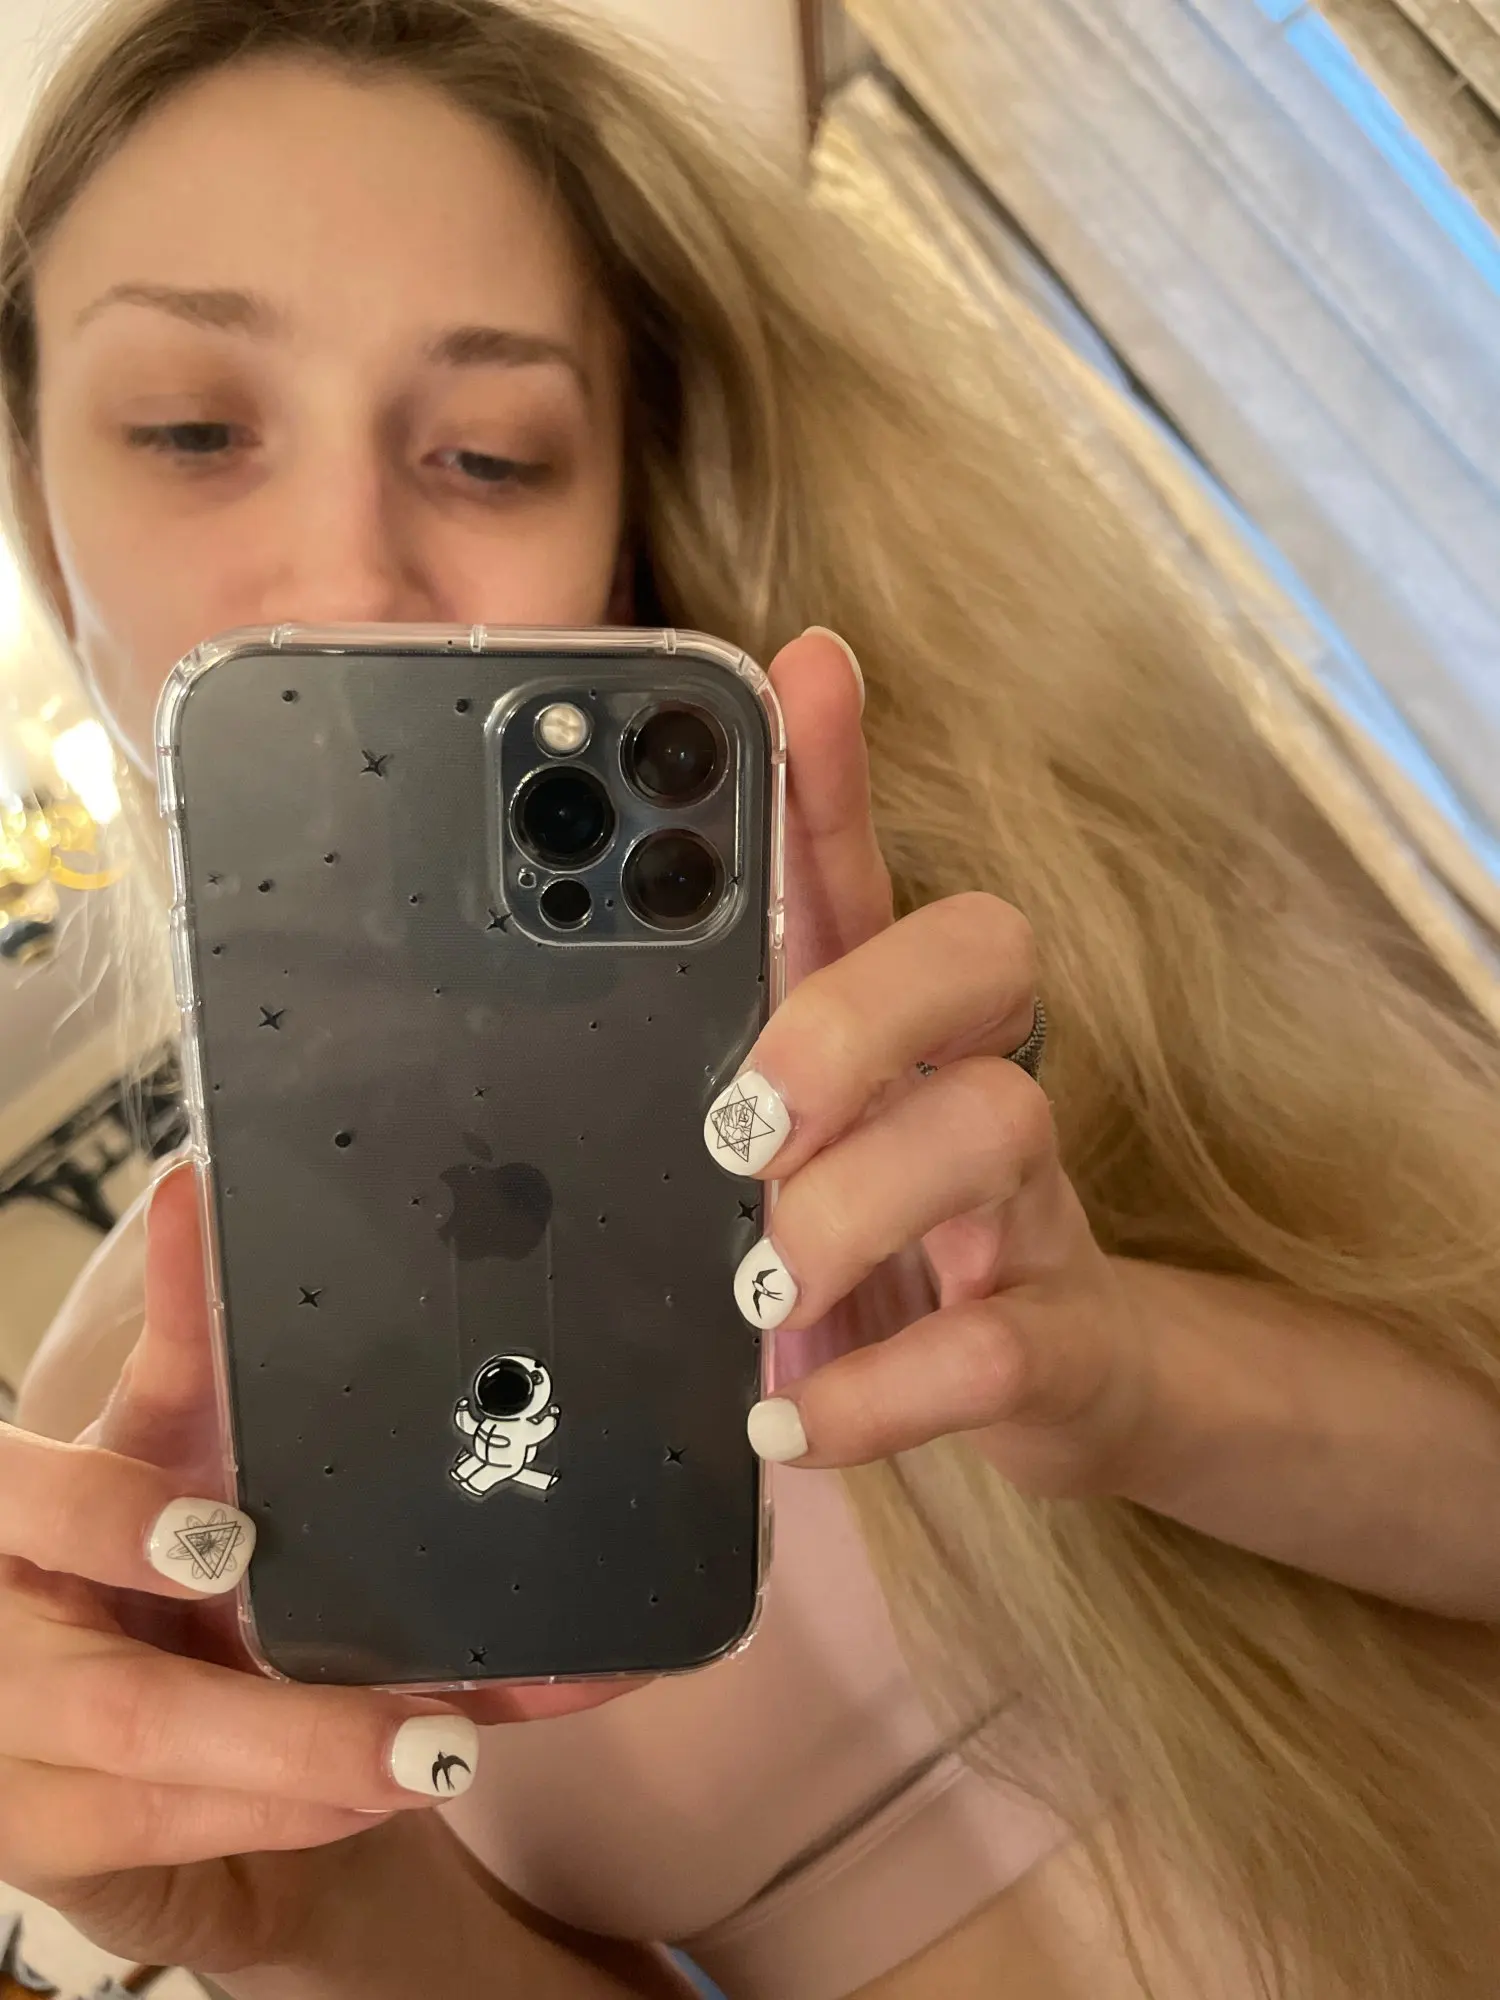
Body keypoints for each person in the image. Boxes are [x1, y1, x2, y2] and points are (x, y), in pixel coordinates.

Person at [2, 3, 1500, 1996]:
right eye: (193, 427)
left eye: (488, 452)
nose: (353, 570)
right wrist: (307, 1921)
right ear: (37, 495)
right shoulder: (125, 1430)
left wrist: (1122, 1372)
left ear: (624, 489)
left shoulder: (1015, 927)